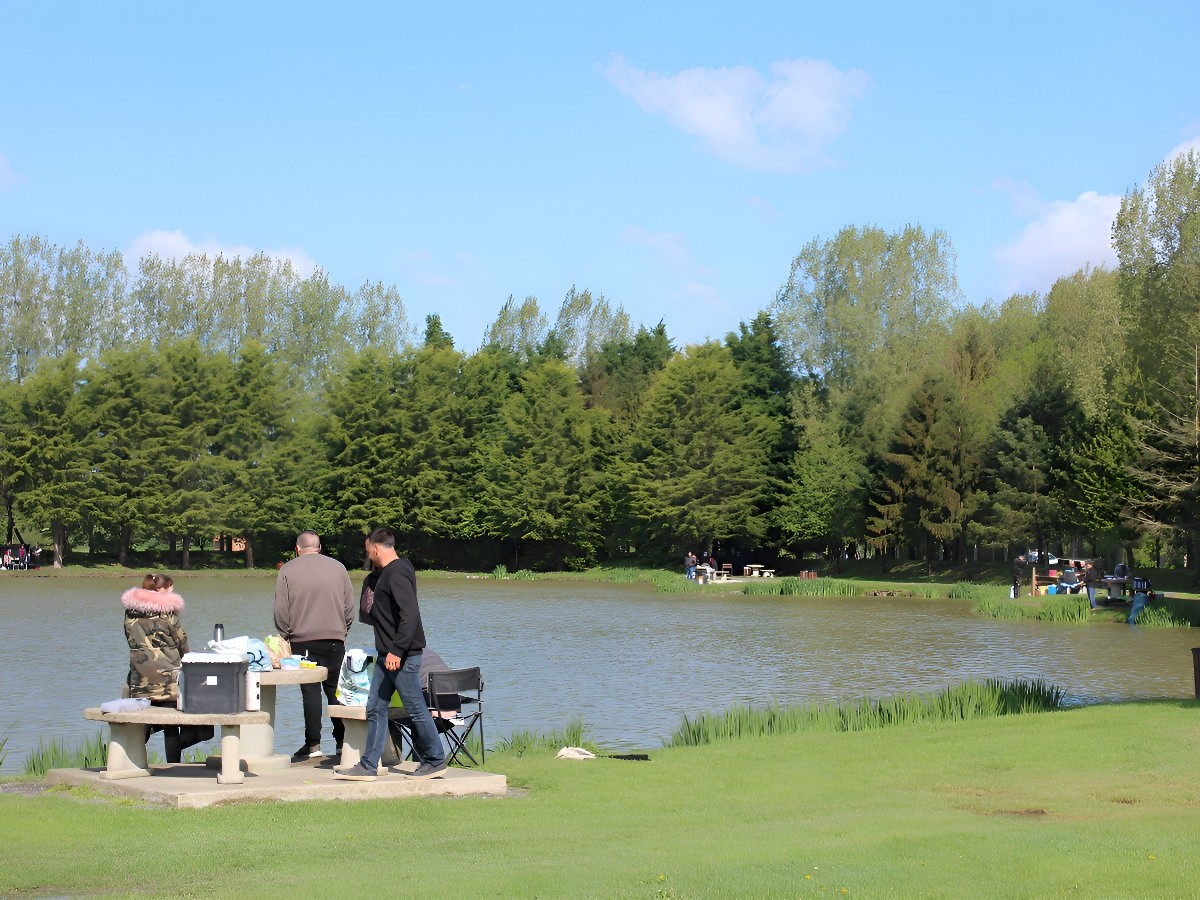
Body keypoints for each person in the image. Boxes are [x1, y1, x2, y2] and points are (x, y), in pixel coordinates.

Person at [335, 527, 448, 781]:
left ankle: (435, 759)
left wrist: (397, 651)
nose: (368, 557)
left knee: (415, 707)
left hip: (402, 656)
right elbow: (372, 615)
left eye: (368, 551)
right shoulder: (388, 573)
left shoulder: (397, 572)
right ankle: (368, 765)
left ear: (376, 547)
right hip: (387, 655)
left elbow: (410, 616)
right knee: (376, 707)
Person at [274, 531, 355, 763]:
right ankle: (342, 742)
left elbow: (281, 610)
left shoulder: (287, 570)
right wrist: (342, 630)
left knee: (310, 692)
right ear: (319, 548)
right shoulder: (339, 568)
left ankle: (313, 744)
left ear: (297, 548)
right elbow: (349, 607)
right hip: (335, 640)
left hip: (302, 640)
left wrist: (286, 635)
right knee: (336, 692)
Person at [121, 573, 212, 762]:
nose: (172, 592)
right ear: (160, 590)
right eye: (170, 588)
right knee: (172, 725)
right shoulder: (168, 615)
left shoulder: (129, 614)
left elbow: (131, 641)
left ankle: (129, 760)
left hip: (139, 684)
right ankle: (173, 764)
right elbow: (183, 645)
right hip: (168, 683)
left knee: (143, 724)